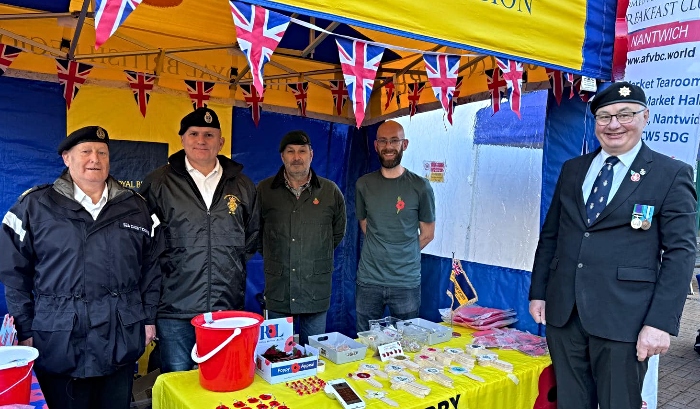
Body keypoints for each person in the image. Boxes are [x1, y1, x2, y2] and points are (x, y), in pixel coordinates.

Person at [529, 82, 696, 409]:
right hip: (565, 315)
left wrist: (660, 322)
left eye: (625, 114)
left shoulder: (671, 173)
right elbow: (552, 235)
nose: (614, 124)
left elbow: (681, 254)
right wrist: (540, 291)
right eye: (604, 117)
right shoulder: (573, 169)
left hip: (626, 320)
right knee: (570, 402)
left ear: (645, 117)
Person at [0, 126, 161, 409]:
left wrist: (148, 318)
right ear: (66, 158)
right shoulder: (35, 206)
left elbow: (152, 267)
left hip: (119, 339)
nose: (94, 159)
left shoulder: (137, 208)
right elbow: (14, 274)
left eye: (101, 152)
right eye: (85, 151)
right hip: (59, 340)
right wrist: (24, 329)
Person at [139, 107, 259, 373]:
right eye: (193, 134)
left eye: (209, 134)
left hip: (225, 308)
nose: (201, 140)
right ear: (182, 139)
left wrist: (226, 266)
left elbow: (251, 237)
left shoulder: (242, 185)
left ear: (221, 142)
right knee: (180, 384)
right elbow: (144, 245)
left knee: (220, 383)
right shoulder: (158, 182)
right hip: (174, 309)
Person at [256, 130, 346, 345]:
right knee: (275, 354)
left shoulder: (329, 191)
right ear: (282, 156)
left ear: (311, 155)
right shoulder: (264, 190)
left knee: (313, 353)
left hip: (315, 288)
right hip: (279, 288)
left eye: (302, 151)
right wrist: (277, 254)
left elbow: (337, 232)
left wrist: (312, 253)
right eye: (291, 151)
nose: (297, 157)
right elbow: (255, 233)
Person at [355, 120, 436, 333]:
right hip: (369, 281)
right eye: (382, 141)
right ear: (375, 146)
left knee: (407, 343)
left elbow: (427, 234)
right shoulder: (363, 184)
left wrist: (402, 253)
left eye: (394, 141)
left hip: (405, 282)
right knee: (365, 340)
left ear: (405, 144)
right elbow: (365, 226)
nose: (388, 146)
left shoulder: (420, 186)